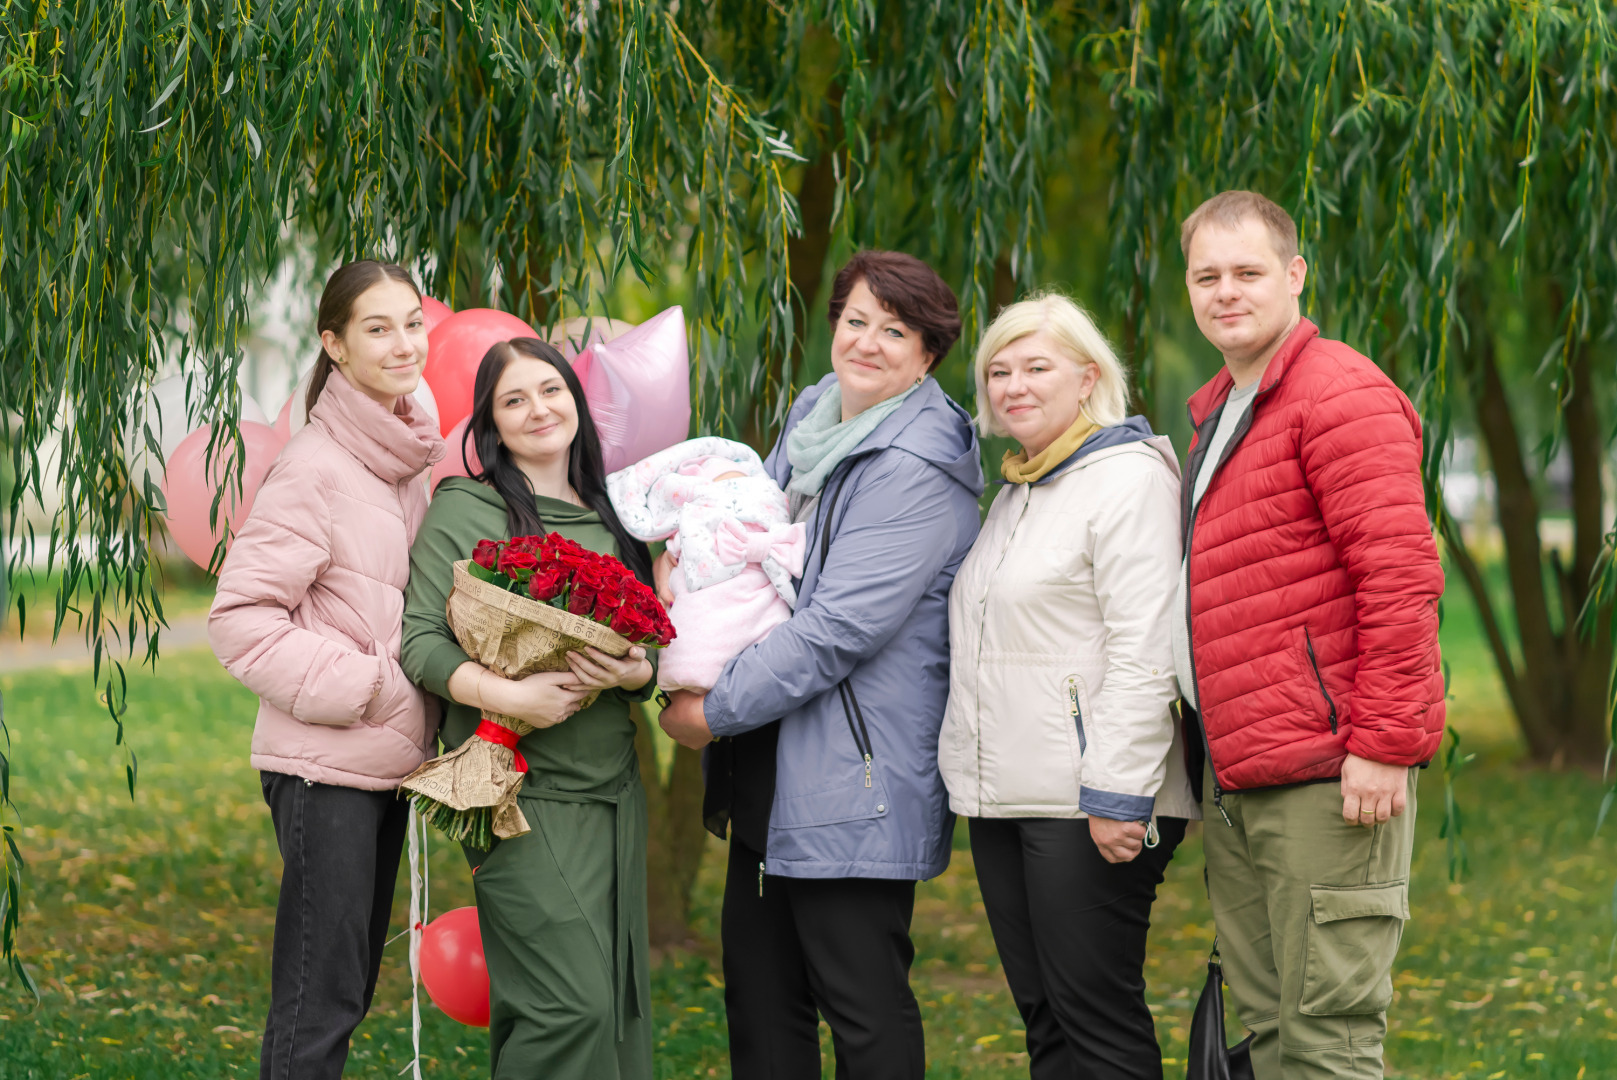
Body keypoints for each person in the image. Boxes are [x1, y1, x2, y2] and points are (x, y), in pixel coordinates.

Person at [657, 250, 984, 1079]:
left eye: (895, 330)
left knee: (862, 1011)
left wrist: (711, 709)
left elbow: (837, 626)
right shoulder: (817, 422)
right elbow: (753, 554)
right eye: (855, 320)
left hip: (851, 778)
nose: (867, 342)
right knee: (762, 1005)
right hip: (776, 759)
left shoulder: (914, 465)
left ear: (927, 355)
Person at [1175, 190, 1445, 1079]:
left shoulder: (1336, 393)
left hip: (1330, 776)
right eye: (1207, 276)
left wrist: (1384, 744)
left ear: (1294, 276)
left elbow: (1399, 579)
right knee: (1271, 1035)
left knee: (1327, 1039)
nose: (1226, 293)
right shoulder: (1220, 409)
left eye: (1248, 273)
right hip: (1244, 775)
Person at [939, 292, 1198, 1079]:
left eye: (1035, 367)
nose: (1012, 385)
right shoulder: (1018, 488)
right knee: (1046, 1020)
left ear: (1087, 377)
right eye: (997, 371)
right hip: (1008, 796)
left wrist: (1118, 790)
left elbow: (1146, 643)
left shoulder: (1125, 480)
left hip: (1088, 799)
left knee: (1097, 1022)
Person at [208, 260, 447, 1079]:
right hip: (326, 769)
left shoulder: (407, 452)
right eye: (377, 328)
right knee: (319, 999)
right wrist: (373, 688)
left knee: (342, 991)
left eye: (412, 322)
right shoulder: (315, 467)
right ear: (335, 347)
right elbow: (239, 621)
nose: (403, 343)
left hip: (380, 765)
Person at [400, 337, 658, 1080]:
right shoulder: (468, 507)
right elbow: (420, 641)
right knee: (566, 1007)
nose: (537, 409)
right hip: (517, 791)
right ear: (490, 424)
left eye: (550, 390)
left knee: (613, 1007)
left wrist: (637, 671)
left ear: (575, 401)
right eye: (513, 400)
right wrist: (511, 696)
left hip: (611, 788)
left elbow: (651, 647)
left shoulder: (618, 514)